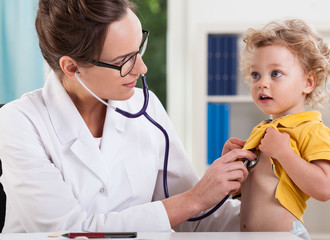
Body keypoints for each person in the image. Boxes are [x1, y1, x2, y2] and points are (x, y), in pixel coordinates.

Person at [0, 0, 257, 233]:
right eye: (124, 60)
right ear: (72, 68)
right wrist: (196, 198)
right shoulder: (19, 122)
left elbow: (195, 218)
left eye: (138, 50)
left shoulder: (146, 107)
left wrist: (265, 211)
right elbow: (68, 231)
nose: (142, 68)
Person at [222, 19, 330, 239]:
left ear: (308, 82)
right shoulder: (262, 131)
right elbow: (245, 196)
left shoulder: (312, 130)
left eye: (275, 73)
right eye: (256, 75)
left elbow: (325, 188)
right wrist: (233, 165)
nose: (262, 83)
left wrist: (284, 154)